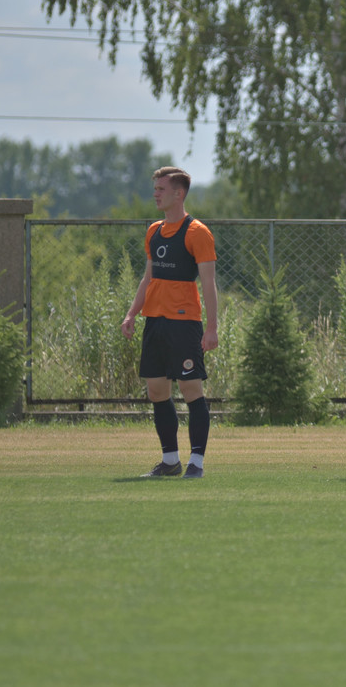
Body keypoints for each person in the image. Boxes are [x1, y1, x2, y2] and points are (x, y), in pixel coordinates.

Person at [121, 167, 219, 479]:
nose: (156, 193)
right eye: (156, 188)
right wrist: (132, 313)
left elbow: (208, 284)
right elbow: (148, 277)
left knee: (191, 390)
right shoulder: (153, 231)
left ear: (179, 193)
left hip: (184, 324)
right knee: (156, 392)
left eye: (162, 189)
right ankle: (170, 461)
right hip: (155, 323)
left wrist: (212, 327)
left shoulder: (197, 233)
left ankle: (197, 463)